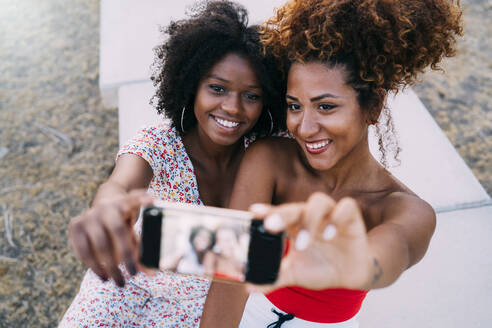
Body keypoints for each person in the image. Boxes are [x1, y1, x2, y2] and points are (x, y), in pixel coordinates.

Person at [210, 0, 463, 326]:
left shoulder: (406, 210)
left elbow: (391, 251)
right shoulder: (269, 161)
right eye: (295, 106)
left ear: (373, 106)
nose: (305, 126)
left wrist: (353, 264)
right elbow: (230, 273)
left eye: (326, 107)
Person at [59, 1, 284, 326]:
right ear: (191, 84)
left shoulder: (264, 153)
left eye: (251, 95)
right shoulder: (159, 142)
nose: (233, 107)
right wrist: (106, 210)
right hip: (123, 288)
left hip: (193, 304)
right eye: (217, 89)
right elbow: (120, 185)